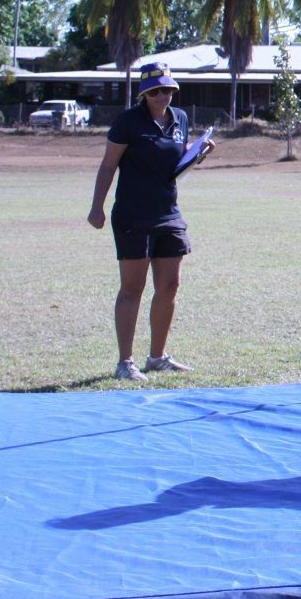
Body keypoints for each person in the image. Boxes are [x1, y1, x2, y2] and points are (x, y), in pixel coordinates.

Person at [88, 61, 213, 382]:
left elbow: (175, 163)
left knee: (170, 285)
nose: (163, 96)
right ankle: (124, 362)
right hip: (132, 214)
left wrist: (196, 153)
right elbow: (108, 166)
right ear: (144, 93)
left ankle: (158, 357)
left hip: (168, 213)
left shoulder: (181, 119)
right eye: (155, 90)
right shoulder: (127, 123)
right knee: (133, 288)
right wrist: (97, 207)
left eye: (168, 89)